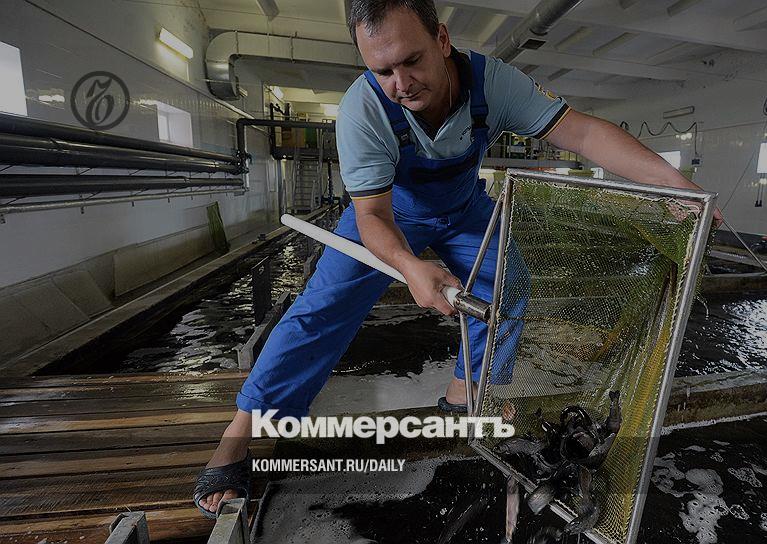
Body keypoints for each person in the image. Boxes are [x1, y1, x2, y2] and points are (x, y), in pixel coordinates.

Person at [193, 0, 722, 518]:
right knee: (321, 309)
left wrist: (674, 184)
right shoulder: (363, 109)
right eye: (383, 71)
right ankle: (238, 437)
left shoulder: (494, 84)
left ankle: (462, 398)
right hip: (387, 214)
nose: (401, 83)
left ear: (442, 40)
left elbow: (582, 132)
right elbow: (372, 214)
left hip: (463, 208)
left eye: (412, 60)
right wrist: (409, 266)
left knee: (508, 282)